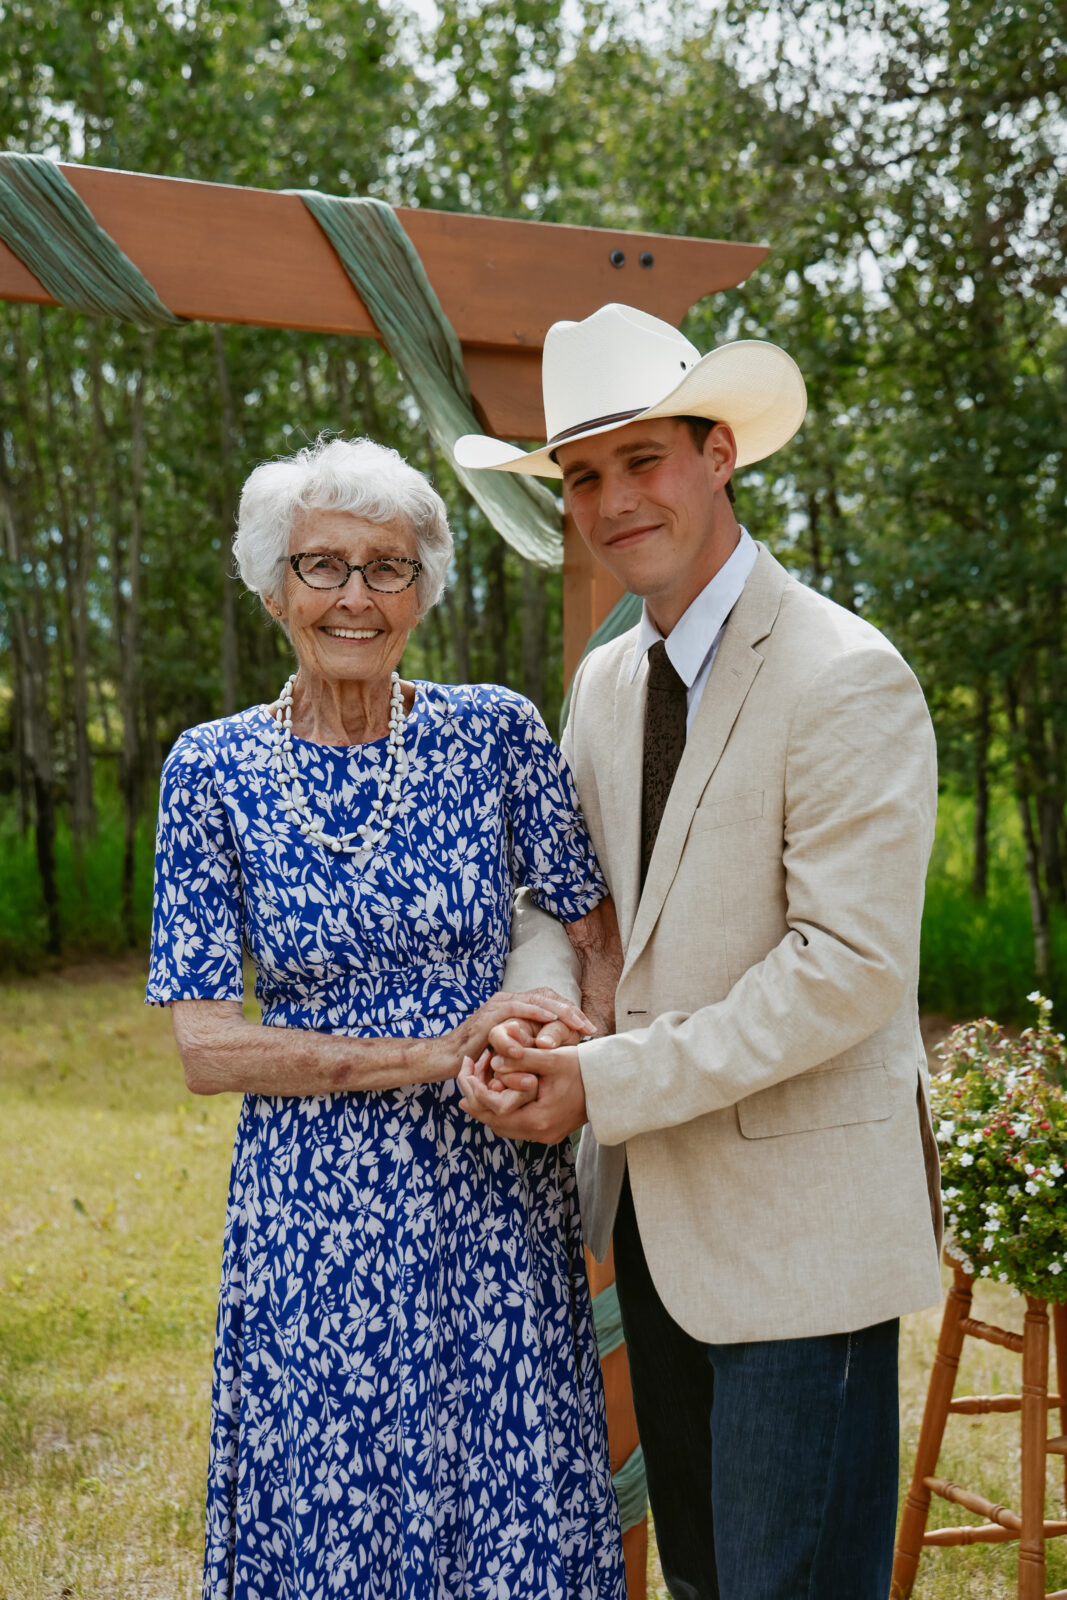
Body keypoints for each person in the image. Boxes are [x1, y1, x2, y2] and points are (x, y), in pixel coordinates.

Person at [453, 303, 944, 1600]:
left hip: (799, 1247)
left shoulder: (845, 675)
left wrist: (603, 1082)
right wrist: (541, 1017)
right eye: (580, 477)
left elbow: (843, 968)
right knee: (707, 1582)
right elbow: (570, 908)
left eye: (640, 460)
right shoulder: (605, 685)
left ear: (717, 451)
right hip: (653, 1226)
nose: (612, 501)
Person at [145, 434, 626, 1600]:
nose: (355, 596)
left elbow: (598, 935)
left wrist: (559, 1044)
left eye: (388, 568)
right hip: (313, 1209)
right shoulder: (210, 770)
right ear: (273, 587)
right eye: (322, 566)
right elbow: (209, 1048)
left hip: (490, 1185)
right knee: (329, 1495)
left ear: (423, 589)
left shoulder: (494, 733)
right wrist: (428, 1051)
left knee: (508, 1481)